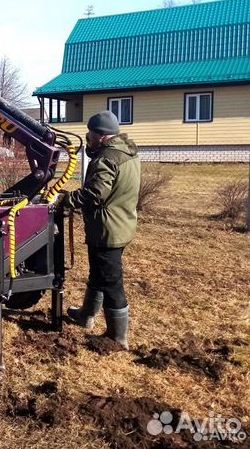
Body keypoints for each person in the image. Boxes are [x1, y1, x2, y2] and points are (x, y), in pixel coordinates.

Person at [63, 110, 140, 349]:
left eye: (90, 133)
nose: (87, 137)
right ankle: (86, 315)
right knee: (98, 273)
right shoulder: (126, 153)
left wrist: (67, 200)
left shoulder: (107, 158)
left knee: (111, 282)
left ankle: (117, 337)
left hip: (108, 229)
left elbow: (95, 194)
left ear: (101, 136)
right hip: (121, 223)